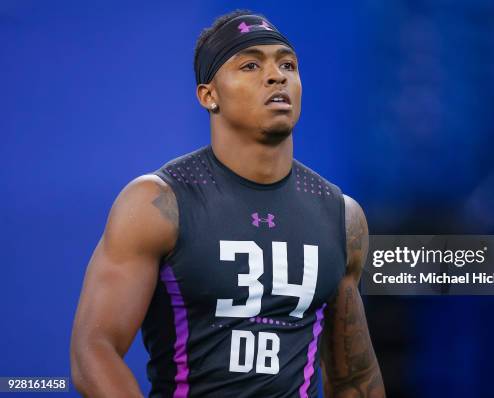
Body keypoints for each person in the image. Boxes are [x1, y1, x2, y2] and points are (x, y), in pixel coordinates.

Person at [70, 9, 385, 398]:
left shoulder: (340, 215)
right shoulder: (159, 202)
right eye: (250, 65)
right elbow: (94, 351)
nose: (276, 75)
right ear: (209, 95)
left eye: (287, 64)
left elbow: (353, 379)